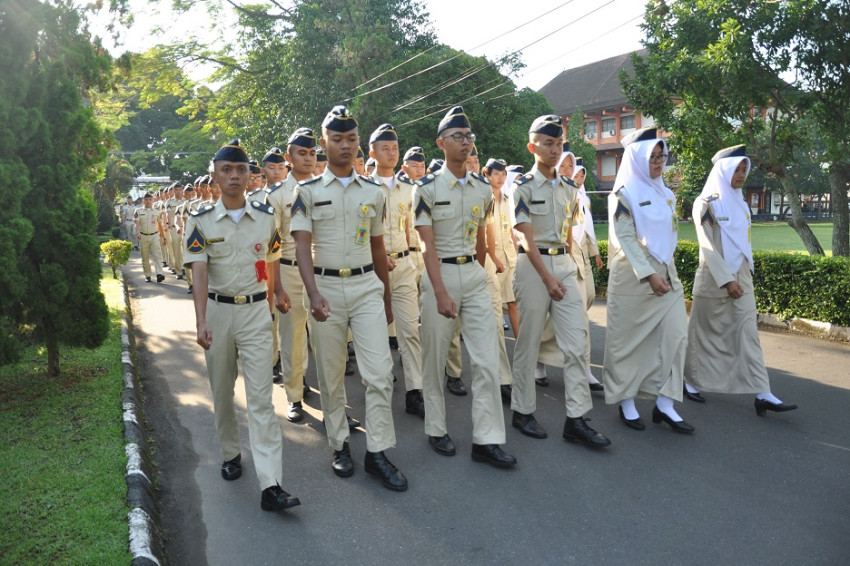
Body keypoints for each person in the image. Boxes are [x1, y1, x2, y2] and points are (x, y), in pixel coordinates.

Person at [291, 105, 407, 492]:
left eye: (351, 139)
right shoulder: (306, 192)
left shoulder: (374, 192)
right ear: (324, 143)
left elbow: (378, 248)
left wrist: (387, 297)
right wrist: (313, 294)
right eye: (337, 139)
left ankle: (377, 452)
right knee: (332, 373)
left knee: (379, 374)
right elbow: (302, 247)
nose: (345, 145)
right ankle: (339, 444)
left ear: (359, 145)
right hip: (325, 289)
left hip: (366, 289)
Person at [184, 138, 300, 512]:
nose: (234, 176)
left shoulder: (266, 217)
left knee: (262, 399)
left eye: (241, 170)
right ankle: (231, 453)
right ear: (215, 175)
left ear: (251, 176)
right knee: (221, 391)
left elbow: (273, 257)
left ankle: (271, 484)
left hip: (254, 313)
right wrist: (200, 320)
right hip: (218, 312)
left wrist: (278, 290)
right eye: (227, 170)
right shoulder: (200, 220)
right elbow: (199, 272)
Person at [414, 105, 516, 468]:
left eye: (469, 137)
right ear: (441, 143)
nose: (466, 143)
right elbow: (426, 244)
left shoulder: (481, 189)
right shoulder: (425, 189)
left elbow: (481, 239)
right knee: (435, 358)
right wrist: (439, 290)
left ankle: (486, 439)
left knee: (487, 359)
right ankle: (436, 428)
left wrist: (479, 272)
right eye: (458, 137)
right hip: (438, 275)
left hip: (473, 276)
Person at [509, 115, 611, 448]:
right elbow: (524, 237)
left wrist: (566, 267)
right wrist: (548, 276)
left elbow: (569, 232)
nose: (555, 150)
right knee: (529, 342)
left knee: (578, 341)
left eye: (559, 144)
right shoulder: (522, 187)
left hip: (563, 265)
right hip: (533, 266)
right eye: (548, 143)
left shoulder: (570, 188)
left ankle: (577, 419)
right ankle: (522, 411)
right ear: (532, 146)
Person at [685, 145, 797, 416]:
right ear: (724, 170)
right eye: (737, 169)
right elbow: (707, 246)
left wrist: (743, 275)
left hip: (742, 277)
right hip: (714, 280)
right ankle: (689, 380)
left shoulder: (742, 204)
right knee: (701, 334)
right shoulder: (705, 204)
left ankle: (763, 393)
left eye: (745, 169)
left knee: (749, 334)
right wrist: (726, 280)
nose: (742, 174)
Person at [602, 127, 693, 433]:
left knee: (677, 337)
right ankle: (626, 400)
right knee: (627, 343)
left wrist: (662, 270)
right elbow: (626, 238)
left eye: (661, 156)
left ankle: (665, 403)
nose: (658, 162)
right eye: (652, 157)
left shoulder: (666, 193)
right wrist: (650, 273)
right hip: (634, 276)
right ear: (638, 159)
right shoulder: (623, 195)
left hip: (666, 275)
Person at [368, 124, 425, 419]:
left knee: (410, 329)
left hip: (403, 265)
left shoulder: (408, 189)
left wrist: (411, 260)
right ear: (372, 152)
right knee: (376, 333)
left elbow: (408, 227)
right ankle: (377, 390)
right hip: (371, 269)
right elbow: (359, 232)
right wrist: (376, 258)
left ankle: (414, 391)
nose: (391, 152)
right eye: (385, 148)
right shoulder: (363, 188)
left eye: (394, 148)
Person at [265, 130, 317, 422]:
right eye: (302, 153)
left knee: (324, 339)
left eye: (312, 153)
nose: (308, 158)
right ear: (289, 157)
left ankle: (323, 395)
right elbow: (272, 244)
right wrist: (277, 287)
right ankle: (294, 396)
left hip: (323, 270)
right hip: (290, 269)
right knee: (293, 336)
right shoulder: (277, 195)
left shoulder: (326, 188)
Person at [481, 158, 517, 404]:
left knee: (512, 304)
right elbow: (483, 233)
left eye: (503, 173)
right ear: (487, 174)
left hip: (510, 259)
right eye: (496, 173)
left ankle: (510, 369)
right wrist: (492, 257)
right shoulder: (483, 197)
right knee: (491, 320)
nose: (501, 177)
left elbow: (512, 229)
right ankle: (499, 377)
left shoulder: (507, 198)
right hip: (489, 263)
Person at [570, 159, 605, 392]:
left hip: (582, 253)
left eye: (582, 176)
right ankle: (585, 371)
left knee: (589, 297)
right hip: (566, 254)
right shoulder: (561, 195)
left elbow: (587, 226)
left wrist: (596, 253)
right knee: (577, 314)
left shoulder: (584, 198)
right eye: (576, 175)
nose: (579, 179)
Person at [134, 192, 166, 283]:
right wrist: (138, 233)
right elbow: (136, 224)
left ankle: (159, 273)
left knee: (157, 255)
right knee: (145, 257)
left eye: (150, 200)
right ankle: (147, 275)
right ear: (143, 201)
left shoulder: (157, 212)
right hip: (143, 236)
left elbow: (160, 225)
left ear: (153, 200)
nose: (148, 202)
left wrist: (163, 237)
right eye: (146, 200)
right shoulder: (138, 211)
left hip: (155, 235)